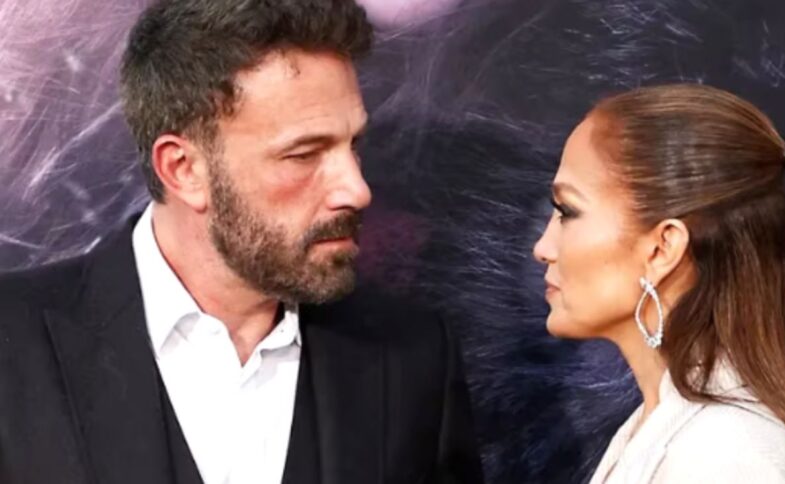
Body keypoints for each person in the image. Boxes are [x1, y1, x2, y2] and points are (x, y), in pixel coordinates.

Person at [0, 1, 484, 483]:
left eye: (352, 145)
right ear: (183, 169)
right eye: (303, 154)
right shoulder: (13, 343)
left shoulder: (414, 358)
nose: (356, 190)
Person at [533, 83, 785, 483]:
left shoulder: (724, 456)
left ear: (662, 248)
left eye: (566, 211)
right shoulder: (674, 430)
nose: (542, 248)